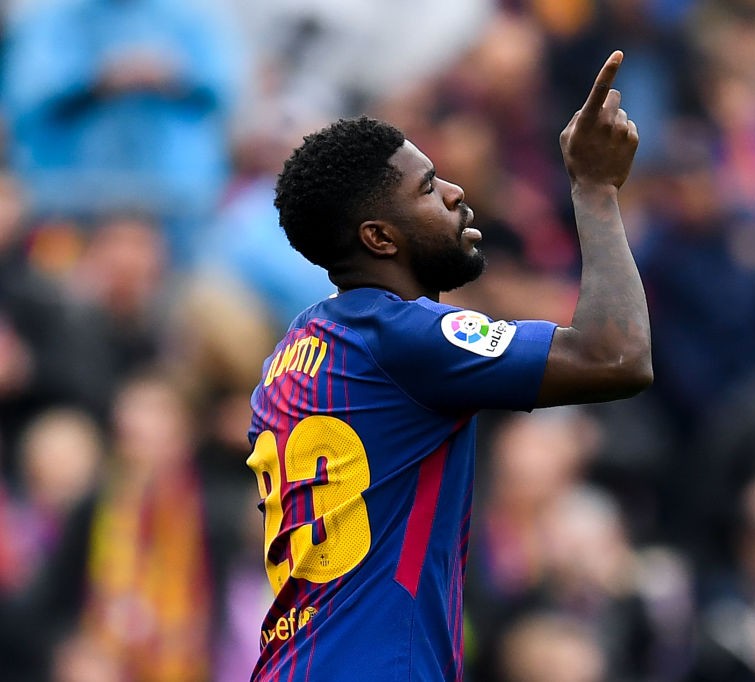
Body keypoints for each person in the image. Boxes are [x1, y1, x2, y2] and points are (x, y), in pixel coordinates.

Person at [246, 51, 650, 681]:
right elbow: (616, 356)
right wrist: (594, 190)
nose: (457, 192)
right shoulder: (402, 338)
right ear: (380, 238)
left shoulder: (292, 355)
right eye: (428, 187)